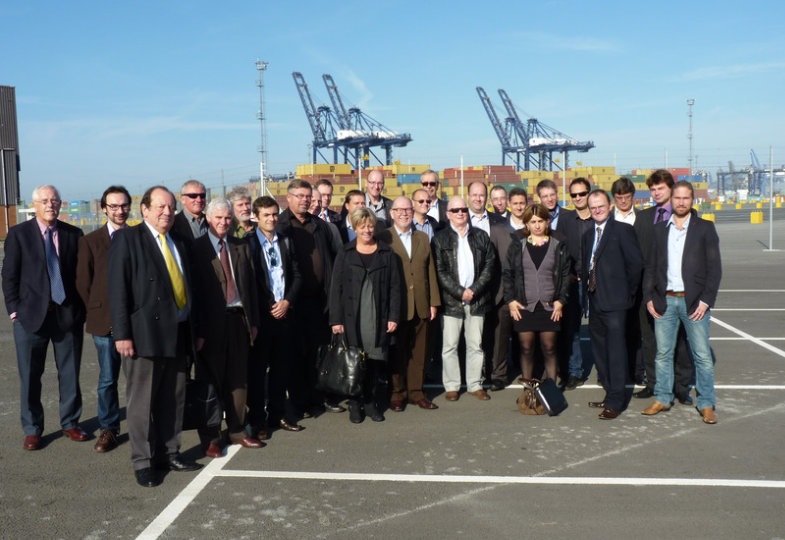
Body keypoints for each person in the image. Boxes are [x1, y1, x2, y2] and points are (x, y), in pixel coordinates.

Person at [108, 186, 203, 487]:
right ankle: (144, 461)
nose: (167, 212)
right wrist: (122, 334)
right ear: (145, 210)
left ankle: (170, 452)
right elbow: (118, 291)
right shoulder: (128, 239)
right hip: (144, 335)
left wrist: (195, 330)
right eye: (160, 206)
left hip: (178, 332)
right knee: (142, 403)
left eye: (171, 207)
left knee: (173, 398)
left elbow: (191, 289)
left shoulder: (179, 241)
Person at [2, 185, 87, 451]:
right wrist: (15, 310)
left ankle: (70, 422)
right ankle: (32, 429)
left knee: (70, 374)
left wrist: (81, 311)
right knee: (30, 376)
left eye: (55, 200)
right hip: (30, 318)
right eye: (45, 201)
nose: (51, 205)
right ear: (34, 204)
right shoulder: (18, 234)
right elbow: (9, 276)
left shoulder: (74, 234)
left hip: (66, 315)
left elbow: (81, 277)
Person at [642, 181, 721, 424]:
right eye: (677, 198)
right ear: (671, 199)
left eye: (686, 198)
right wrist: (648, 298)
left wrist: (706, 301)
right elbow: (652, 268)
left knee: (702, 356)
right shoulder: (659, 230)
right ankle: (662, 398)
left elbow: (714, 269)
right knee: (663, 354)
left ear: (692, 200)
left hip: (694, 303)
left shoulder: (705, 228)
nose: (681, 202)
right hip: (665, 300)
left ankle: (706, 404)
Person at [192, 198, 263, 458]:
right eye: (219, 218)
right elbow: (195, 293)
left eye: (228, 218)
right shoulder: (197, 248)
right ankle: (210, 437)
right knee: (209, 382)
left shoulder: (241, 246)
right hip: (210, 325)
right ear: (209, 219)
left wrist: (253, 321)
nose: (224, 222)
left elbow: (252, 287)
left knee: (238, 379)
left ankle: (237, 430)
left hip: (238, 319)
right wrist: (198, 331)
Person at [276, 179, 344, 414]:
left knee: (318, 352)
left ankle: (318, 397)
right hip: (292, 303)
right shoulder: (281, 225)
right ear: (289, 197)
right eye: (301, 196)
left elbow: (334, 259)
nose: (305, 200)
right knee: (294, 354)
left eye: (308, 196)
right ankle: (299, 402)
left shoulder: (320, 225)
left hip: (319, 301)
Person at [329, 208, 401, 423]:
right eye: (363, 226)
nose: (367, 230)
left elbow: (395, 287)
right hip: (352, 316)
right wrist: (336, 320)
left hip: (377, 316)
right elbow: (336, 287)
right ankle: (354, 403)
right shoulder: (346, 251)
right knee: (354, 362)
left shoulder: (387, 253)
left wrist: (393, 316)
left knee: (373, 361)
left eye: (370, 226)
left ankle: (370, 402)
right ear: (355, 227)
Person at [76, 185, 130, 453]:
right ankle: (109, 428)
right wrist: (98, 308)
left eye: (123, 206)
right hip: (104, 321)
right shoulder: (90, 241)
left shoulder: (139, 237)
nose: (119, 211)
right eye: (114, 206)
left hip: (136, 322)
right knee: (108, 379)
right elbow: (83, 283)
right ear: (104, 209)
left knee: (139, 379)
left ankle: (147, 425)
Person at [633, 170, 694, 401]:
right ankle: (654, 383)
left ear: (671, 189)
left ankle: (681, 387)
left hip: (675, 289)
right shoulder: (644, 218)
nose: (656, 192)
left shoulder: (687, 215)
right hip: (648, 289)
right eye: (653, 189)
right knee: (649, 339)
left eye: (661, 188)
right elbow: (637, 254)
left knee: (678, 340)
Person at [582, 190, 643, 420]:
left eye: (600, 206)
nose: (597, 210)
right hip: (595, 301)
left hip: (617, 303)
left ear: (609, 205)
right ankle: (609, 394)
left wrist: (628, 295)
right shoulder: (588, 235)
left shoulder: (623, 230)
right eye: (593, 207)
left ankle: (617, 401)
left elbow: (636, 266)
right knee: (601, 353)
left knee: (616, 353)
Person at [247, 196, 304, 436]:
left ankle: (278, 415)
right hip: (263, 318)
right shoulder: (247, 244)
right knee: (258, 372)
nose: (271, 219)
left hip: (285, 315)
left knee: (281, 369)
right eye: (266, 215)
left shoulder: (286, 241)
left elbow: (297, 275)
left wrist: (287, 302)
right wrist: (271, 306)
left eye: (274, 214)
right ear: (256, 217)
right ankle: (258, 420)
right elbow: (250, 283)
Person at [378, 197, 440, 411]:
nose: (404, 213)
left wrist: (433, 302)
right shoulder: (383, 238)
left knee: (419, 352)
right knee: (397, 353)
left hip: (421, 304)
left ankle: (416, 392)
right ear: (392, 213)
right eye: (400, 209)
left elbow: (430, 270)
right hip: (397, 307)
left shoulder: (422, 238)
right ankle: (397, 393)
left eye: (408, 209)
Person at [432, 197, 496, 402]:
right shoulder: (439, 239)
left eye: (463, 209)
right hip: (452, 302)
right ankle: (451, 386)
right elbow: (439, 271)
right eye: (456, 210)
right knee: (449, 346)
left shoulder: (481, 236)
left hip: (477, 300)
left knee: (475, 345)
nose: (460, 213)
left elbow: (489, 265)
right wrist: (459, 292)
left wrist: (474, 290)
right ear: (448, 214)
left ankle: (475, 385)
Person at [503, 204, 570, 383]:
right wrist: (510, 300)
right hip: (524, 304)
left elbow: (564, 275)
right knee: (526, 348)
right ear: (527, 224)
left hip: (550, 305)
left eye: (540, 221)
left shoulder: (558, 245)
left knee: (549, 348)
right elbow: (508, 273)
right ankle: (528, 391)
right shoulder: (518, 245)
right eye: (533, 222)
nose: (537, 225)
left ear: (547, 222)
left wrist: (561, 300)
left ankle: (550, 390)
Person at [559, 178, 594, 390]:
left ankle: (605, 372)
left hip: (596, 282)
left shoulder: (599, 217)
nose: (578, 198)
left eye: (582, 193)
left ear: (589, 193)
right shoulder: (565, 220)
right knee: (571, 329)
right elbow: (560, 251)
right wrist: (567, 275)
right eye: (574, 195)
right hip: (574, 282)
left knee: (599, 329)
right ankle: (575, 372)